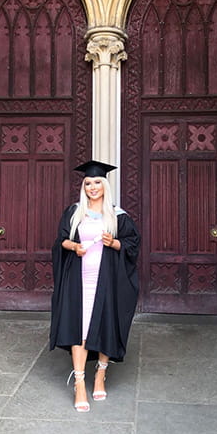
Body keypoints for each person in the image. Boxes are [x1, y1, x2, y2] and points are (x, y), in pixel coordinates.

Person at [48, 160, 140, 412]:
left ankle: (100, 374)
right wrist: (74, 246)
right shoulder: (74, 212)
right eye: (88, 183)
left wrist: (114, 244)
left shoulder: (118, 215)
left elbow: (132, 245)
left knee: (105, 325)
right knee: (78, 327)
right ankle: (79, 384)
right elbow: (61, 241)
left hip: (107, 281)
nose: (92, 187)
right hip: (78, 281)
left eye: (97, 182)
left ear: (105, 185)